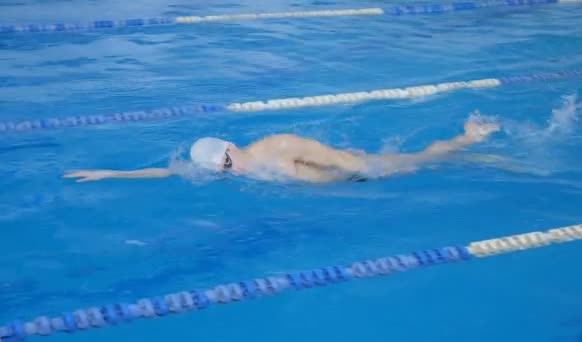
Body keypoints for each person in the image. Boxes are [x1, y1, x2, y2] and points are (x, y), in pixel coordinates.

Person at [63, 116, 500, 183]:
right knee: (421, 166)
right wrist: (113, 173)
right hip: (350, 185)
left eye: (225, 162)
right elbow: (171, 171)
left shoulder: (279, 146)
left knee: (416, 161)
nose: (227, 168)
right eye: (223, 167)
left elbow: (340, 162)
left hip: (362, 172)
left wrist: (362, 174)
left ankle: (469, 138)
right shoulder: (242, 168)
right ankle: (469, 152)